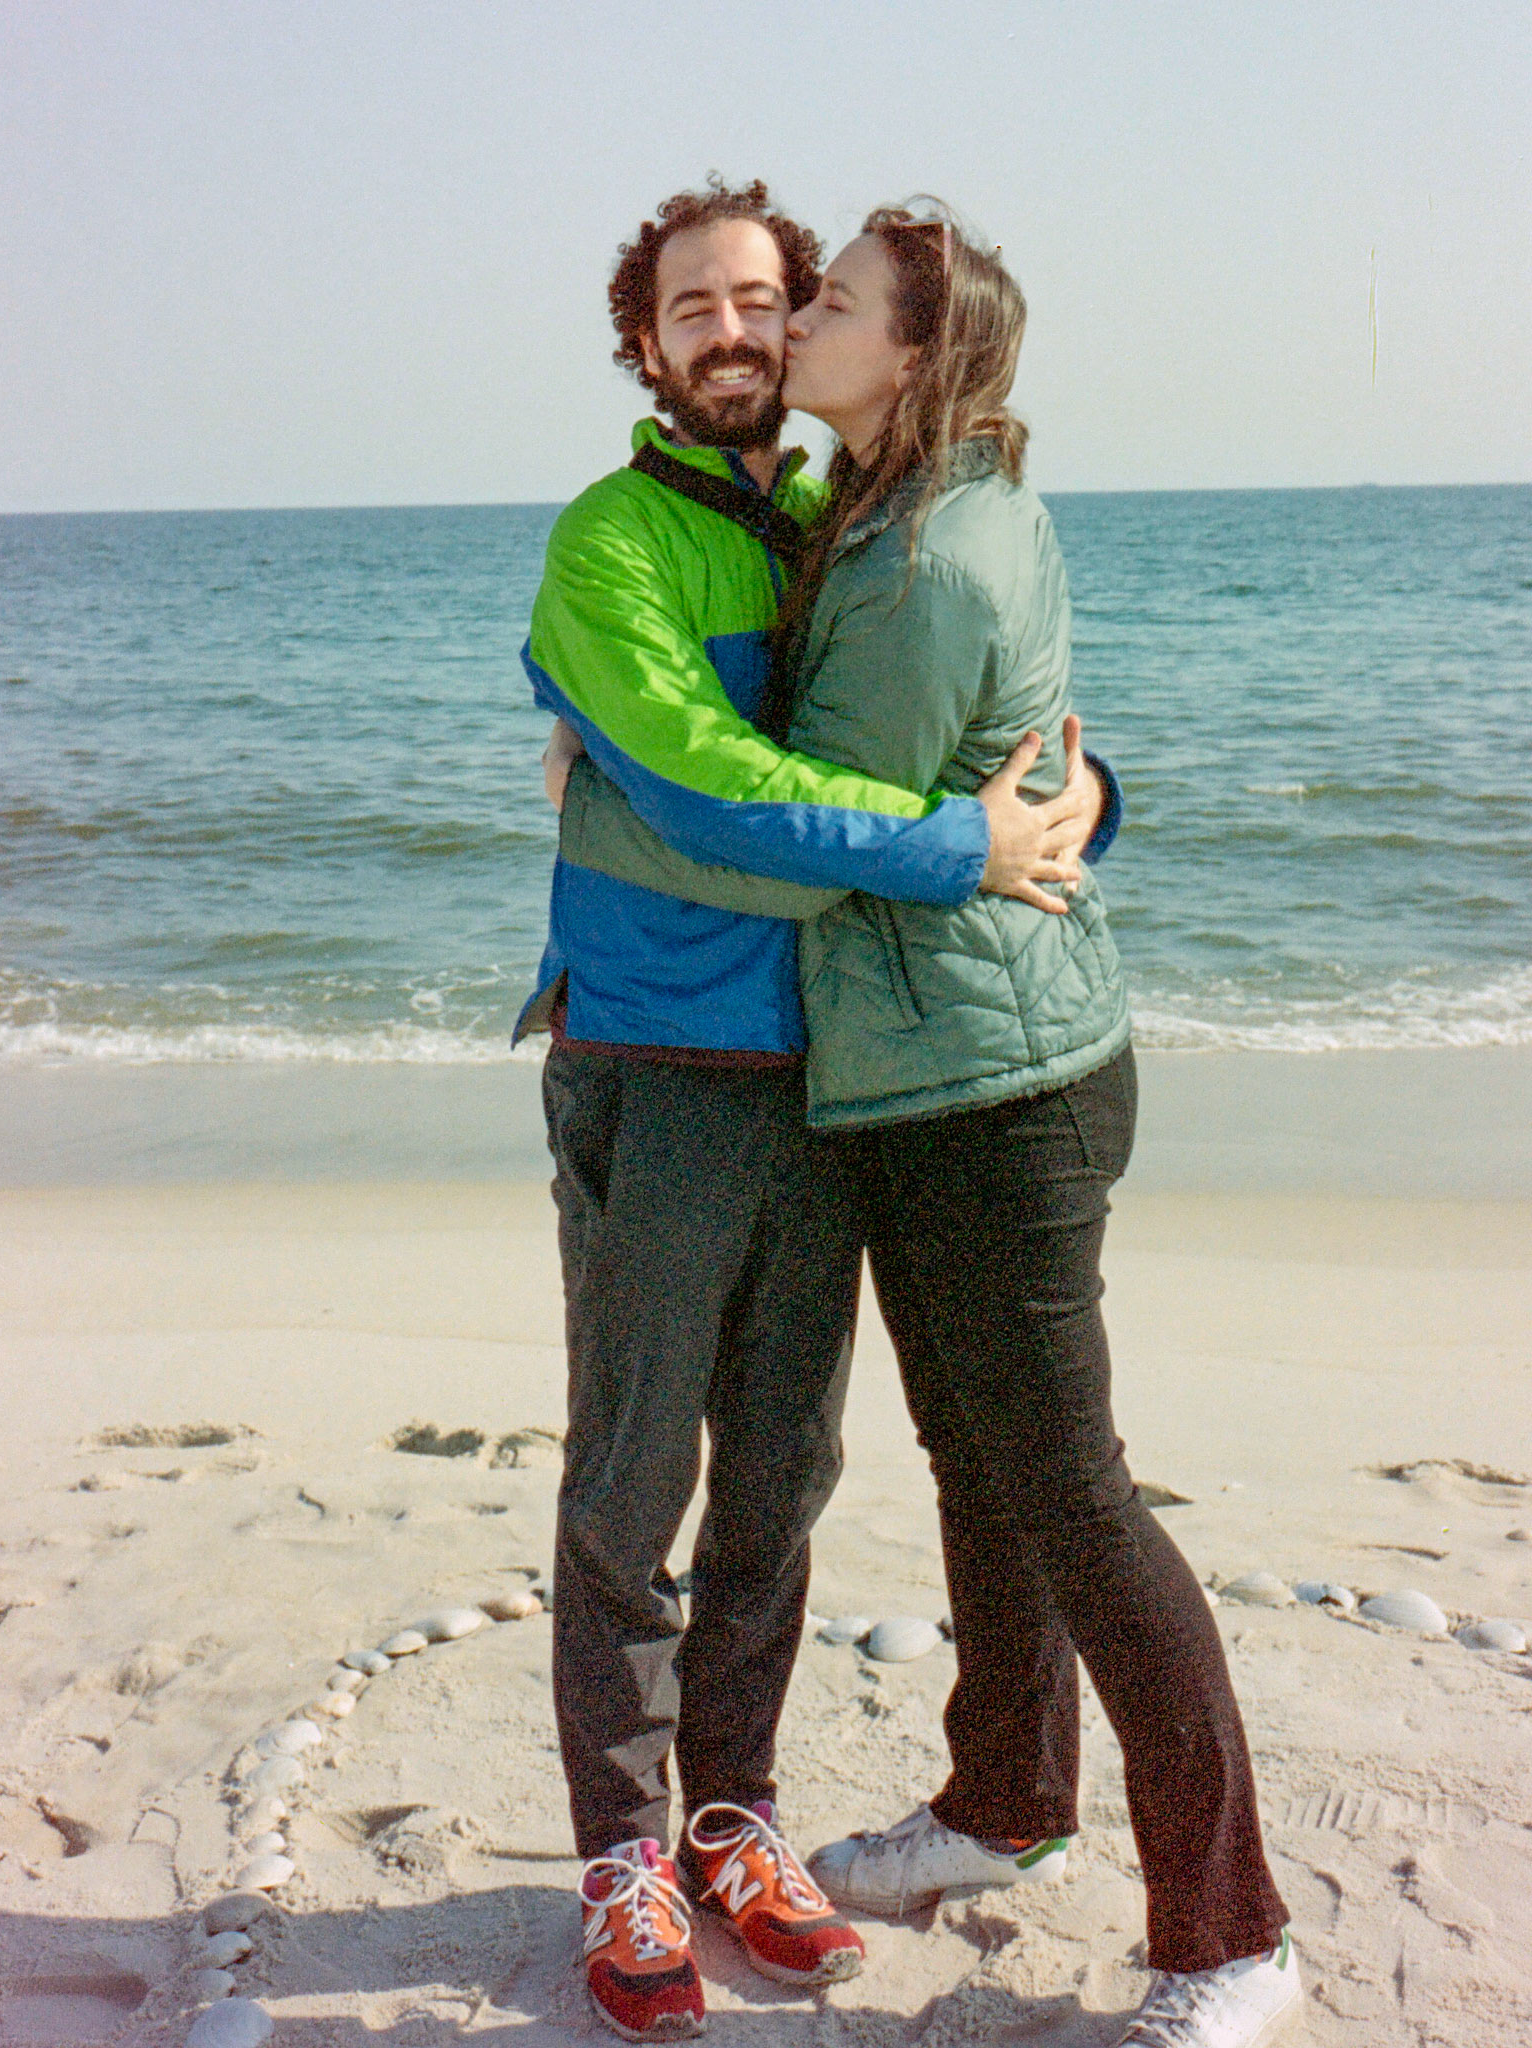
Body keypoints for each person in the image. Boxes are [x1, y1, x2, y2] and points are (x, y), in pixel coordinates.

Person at [556, 205, 1300, 2048]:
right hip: (735, 1065)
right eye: (702, 306)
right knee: (711, 1478)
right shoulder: (663, 534)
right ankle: (798, 1830)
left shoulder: (884, 531)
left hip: (911, 1076)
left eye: (787, 297)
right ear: (644, 342)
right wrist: (974, 829)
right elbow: (754, 791)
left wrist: (1067, 799)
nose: (754, 327)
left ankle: (1192, 1923)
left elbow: (922, 760)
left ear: (895, 347)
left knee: (917, 1486)